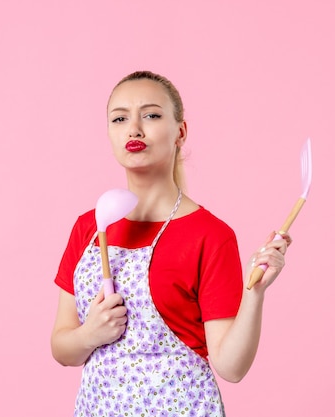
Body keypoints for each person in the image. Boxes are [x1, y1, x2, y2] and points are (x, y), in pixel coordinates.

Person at [51, 70, 291, 416]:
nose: (134, 128)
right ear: (109, 133)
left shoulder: (209, 235)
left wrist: (255, 293)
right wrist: (90, 334)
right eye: (120, 118)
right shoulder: (88, 228)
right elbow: (62, 347)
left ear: (180, 131)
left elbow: (230, 367)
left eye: (151, 115)